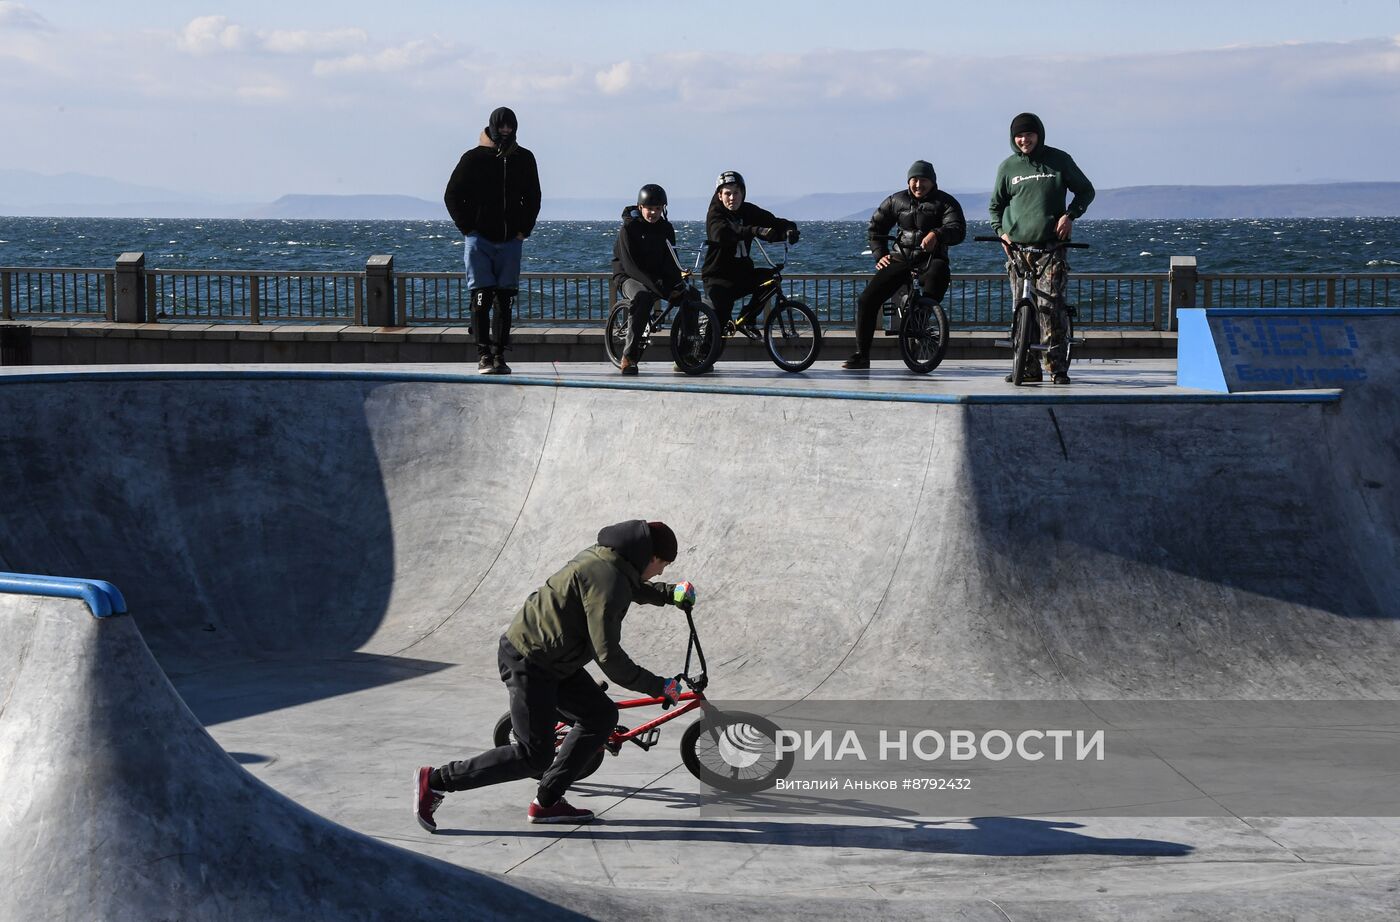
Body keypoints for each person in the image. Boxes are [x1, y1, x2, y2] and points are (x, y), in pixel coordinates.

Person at [414, 520, 698, 829]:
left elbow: (629, 585)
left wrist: (669, 593)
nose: (660, 572)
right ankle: (437, 780)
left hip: (554, 660)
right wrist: (659, 686)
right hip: (530, 660)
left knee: (600, 716)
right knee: (532, 756)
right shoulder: (610, 580)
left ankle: (547, 802)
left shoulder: (607, 558)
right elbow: (609, 658)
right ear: (650, 556)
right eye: (662, 566)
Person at [988, 112, 1094, 385]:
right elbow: (995, 208)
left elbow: (1086, 191)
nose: (1024, 140)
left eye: (1029, 134)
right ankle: (1026, 366)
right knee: (1022, 308)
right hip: (1018, 250)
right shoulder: (1008, 167)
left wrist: (1070, 215)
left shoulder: (1059, 160)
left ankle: (1057, 367)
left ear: (1039, 134)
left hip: (1051, 247)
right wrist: (1002, 235)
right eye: (1019, 136)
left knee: (1050, 305)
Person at [444, 106, 542, 375]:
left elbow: (533, 197)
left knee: (505, 299)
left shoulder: (524, 158)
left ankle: (499, 355)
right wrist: (468, 228)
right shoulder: (473, 158)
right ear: (492, 127)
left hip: (512, 241)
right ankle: (483, 354)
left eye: (510, 126)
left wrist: (525, 229)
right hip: (479, 240)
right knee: (481, 297)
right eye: (502, 126)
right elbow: (452, 195)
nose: (506, 131)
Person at [843, 160, 966, 370]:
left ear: (933, 182)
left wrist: (937, 234)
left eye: (924, 180)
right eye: (914, 180)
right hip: (901, 258)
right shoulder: (896, 200)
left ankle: (922, 317)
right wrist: (880, 254)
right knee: (866, 300)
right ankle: (861, 355)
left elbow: (958, 229)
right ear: (909, 181)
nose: (918, 185)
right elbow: (876, 227)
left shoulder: (945, 202)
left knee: (939, 274)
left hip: (931, 258)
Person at [701, 170, 800, 332]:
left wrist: (789, 230)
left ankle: (748, 318)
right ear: (720, 195)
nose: (732, 198)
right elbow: (721, 234)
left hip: (742, 274)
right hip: (718, 279)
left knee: (771, 279)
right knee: (719, 329)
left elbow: (774, 222)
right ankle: (701, 352)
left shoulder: (748, 211)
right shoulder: (715, 215)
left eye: (736, 193)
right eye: (727, 194)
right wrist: (755, 231)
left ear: (743, 193)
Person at [611, 184, 690, 375]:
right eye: (649, 208)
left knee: (691, 295)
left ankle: (686, 354)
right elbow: (632, 267)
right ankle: (629, 357)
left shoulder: (666, 228)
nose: (653, 213)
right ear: (640, 207)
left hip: (656, 276)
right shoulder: (628, 229)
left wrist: (678, 282)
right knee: (643, 297)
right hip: (628, 276)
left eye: (658, 209)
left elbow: (671, 261)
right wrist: (661, 288)